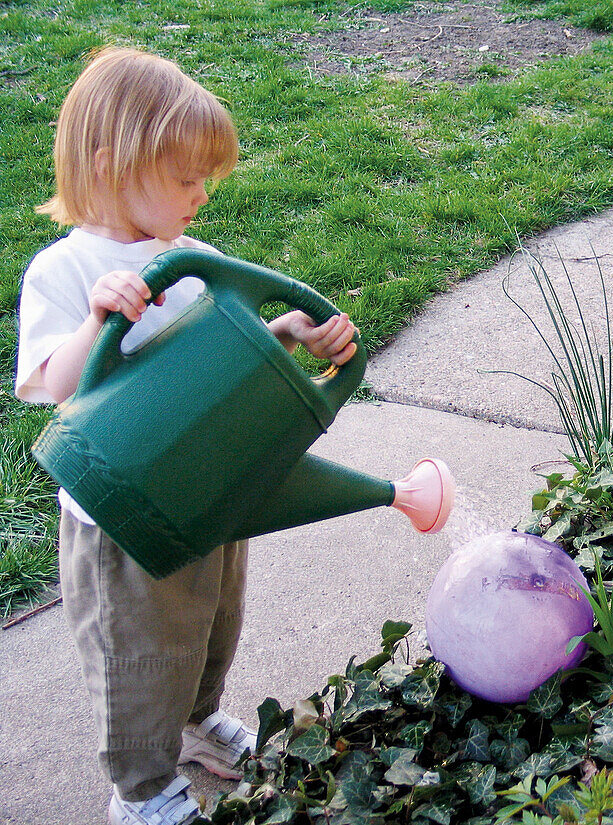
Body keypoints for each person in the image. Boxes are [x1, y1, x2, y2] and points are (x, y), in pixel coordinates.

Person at [15, 46, 358, 825]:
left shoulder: (194, 260)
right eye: (185, 178)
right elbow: (50, 385)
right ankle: (139, 787)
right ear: (110, 164)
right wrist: (98, 320)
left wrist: (289, 332)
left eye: (208, 178)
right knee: (139, 654)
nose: (203, 194)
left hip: (208, 491)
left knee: (212, 620)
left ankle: (200, 719)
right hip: (124, 514)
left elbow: (216, 360)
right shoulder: (67, 272)